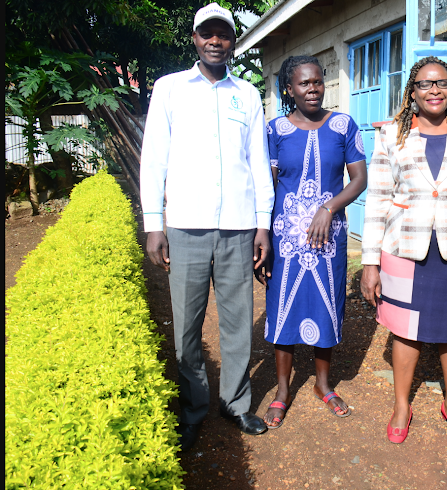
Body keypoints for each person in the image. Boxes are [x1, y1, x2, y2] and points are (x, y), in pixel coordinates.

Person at [140, 3, 274, 451]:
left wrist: (262, 225)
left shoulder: (248, 95)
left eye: (223, 34)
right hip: (186, 225)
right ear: (195, 39)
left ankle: (235, 403)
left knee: (237, 323)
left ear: (233, 41)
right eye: (207, 34)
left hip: (238, 226)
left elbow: (258, 162)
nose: (215, 41)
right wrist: (153, 224)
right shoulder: (170, 89)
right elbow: (154, 157)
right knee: (186, 326)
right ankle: (194, 406)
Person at [360, 56, 447, 444]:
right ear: (412, 92)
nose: (433, 90)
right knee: (406, 331)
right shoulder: (391, 134)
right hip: (405, 248)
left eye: (441, 83)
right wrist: (370, 261)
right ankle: (402, 405)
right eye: (424, 84)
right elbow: (378, 199)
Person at [262, 56, 367, 429]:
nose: (312, 88)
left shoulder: (342, 126)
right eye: (303, 83)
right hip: (286, 238)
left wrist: (329, 206)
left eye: (317, 82)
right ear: (289, 89)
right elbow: (268, 186)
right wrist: (266, 241)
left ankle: (323, 385)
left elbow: (358, 180)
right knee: (282, 308)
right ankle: (281, 391)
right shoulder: (274, 129)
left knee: (326, 304)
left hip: (328, 239)